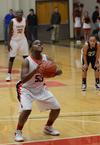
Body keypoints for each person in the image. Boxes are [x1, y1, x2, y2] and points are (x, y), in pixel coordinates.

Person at [15, 40, 62, 142]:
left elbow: (59, 70)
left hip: (41, 88)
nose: (40, 45)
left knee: (57, 108)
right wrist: (35, 70)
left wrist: (53, 72)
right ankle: (18, 131)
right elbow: (23, 79)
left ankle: (48, 127)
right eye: (37, 43)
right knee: (27, 110)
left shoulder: (46, 58)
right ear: (31, 47)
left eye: (41, 43)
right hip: (26, 89)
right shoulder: (27, 61)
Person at [6, 10, 29, 81]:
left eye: (21, 13)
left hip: (23, 40)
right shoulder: (12, 21)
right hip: (14, 41)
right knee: (12, 58)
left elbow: (26, 31)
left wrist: (27, 40)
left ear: (22, 14)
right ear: (15, 14)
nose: (20, 14)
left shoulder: (25, 20)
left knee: (26, 58)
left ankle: (27, 74)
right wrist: (8, 43)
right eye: (18, 13)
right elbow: (9, 32)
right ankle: (9, 74)